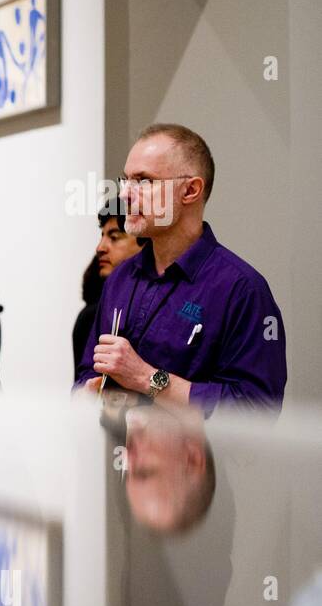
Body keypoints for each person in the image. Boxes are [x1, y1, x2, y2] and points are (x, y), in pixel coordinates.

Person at [74, 124, 287, 414]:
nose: (125, 194)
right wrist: (90, 393)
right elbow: (85, 376)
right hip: (117, 453)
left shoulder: (241, 289)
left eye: (143, 181)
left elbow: (257, 411)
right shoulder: (120, 279)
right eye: (125, 180)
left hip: (198, 459)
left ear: (190, 190)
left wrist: (147, 379)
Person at [72, 201, 143, 368]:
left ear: (146, 241)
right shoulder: (93, 314)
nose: (100, 248)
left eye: (114, 237)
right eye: (102, 236)